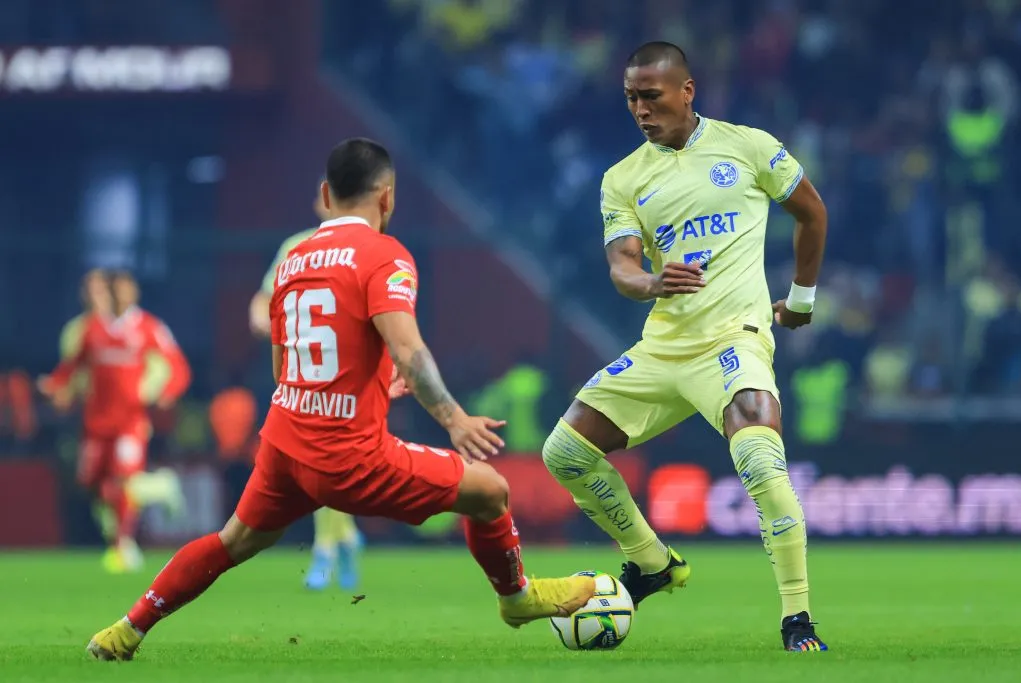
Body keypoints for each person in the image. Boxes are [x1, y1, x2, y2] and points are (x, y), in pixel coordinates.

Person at [86, 137, 595, 661]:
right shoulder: (385, 255)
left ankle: (127, 628)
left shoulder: (292, 260)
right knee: (490, 490)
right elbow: (409, 350)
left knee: (232, 541)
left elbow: (286, 369)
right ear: (388, 197)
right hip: (347, 455)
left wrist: (371, 382)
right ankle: (517, 599)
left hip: (285, 445)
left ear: (327, 195)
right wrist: (453, 418)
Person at [540, 42, 830, 653]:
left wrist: (801, 301)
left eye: (651, 96)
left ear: (687, 91)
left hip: (733, 339)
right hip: (663, 348)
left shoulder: (748, 146)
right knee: (564, 453)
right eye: (631, 99)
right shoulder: (622, 178)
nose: (641, 110)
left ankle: (798, 619)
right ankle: (651, 563)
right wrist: (652, 282)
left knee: (761, 462)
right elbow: (622, 267)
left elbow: (812, 213)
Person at [40, 270, 191, 573]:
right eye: (114, 290)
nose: (119, 295)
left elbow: (178, 365)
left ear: (134, 293)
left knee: (123, 481)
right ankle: (162, 487)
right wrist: (55, 384)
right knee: (94, 484)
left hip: (131, 420)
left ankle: (122, 546)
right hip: (96, 421)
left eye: (124, 290)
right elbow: (73, 365)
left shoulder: (148, 327)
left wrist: (168, 391)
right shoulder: (92, 329)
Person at [249, 195, 364, 591]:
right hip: (304, 369)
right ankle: (344, 537)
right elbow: (264, 297)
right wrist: (261, 318)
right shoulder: (295, 246)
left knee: (326, 461)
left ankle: (325, 549)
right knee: (322, 463)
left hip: (349, 370)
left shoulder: (364, 246)